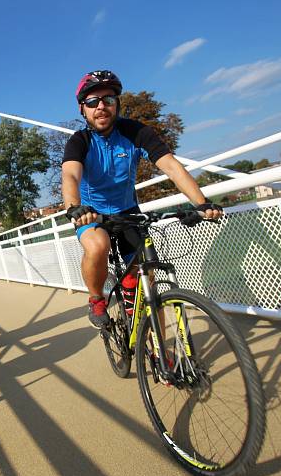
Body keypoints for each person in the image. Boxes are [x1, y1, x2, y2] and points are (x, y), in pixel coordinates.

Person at [62, 70, 223, 329]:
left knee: (147, 278)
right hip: (92, 213)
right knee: (98, 246)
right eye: (93, 102)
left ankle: (162, 352)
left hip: (128, 210)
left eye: (109, 99)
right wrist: (75, 207)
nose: (101, 107)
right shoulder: (80, 141)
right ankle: (96, 299)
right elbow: (70, 174)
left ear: (118, 104)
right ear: (83, 109)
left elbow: (171, 166)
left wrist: (201, 203)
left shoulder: (135, 132)